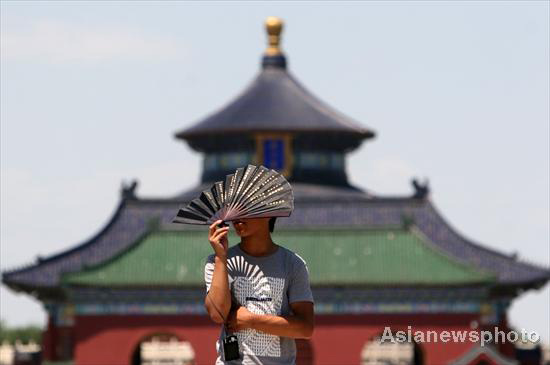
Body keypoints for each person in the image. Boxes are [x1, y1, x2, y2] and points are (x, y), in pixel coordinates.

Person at [204, 217, 315, 364]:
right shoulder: (217, 261)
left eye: (246, 209)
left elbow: (305, 328)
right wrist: (221, 257)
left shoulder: (293, 264)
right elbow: (217, 315)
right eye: (235, 210)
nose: (237, 217)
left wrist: (252, 321)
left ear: (268, 212)